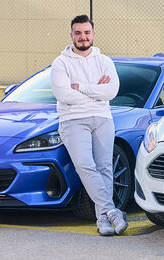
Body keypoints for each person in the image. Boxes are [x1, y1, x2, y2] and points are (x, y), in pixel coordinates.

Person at [50, 15, 126, 236]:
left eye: (86, 32)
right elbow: (63, 95)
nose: (82, 37)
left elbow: (111, 91)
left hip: (103, 118)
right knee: (85, 165)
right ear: (71, 35)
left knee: (104, 167)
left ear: (93, 34)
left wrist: (80, 86)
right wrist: (95, 92)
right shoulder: (61, 63)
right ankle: (111, 211)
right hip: (72, 120)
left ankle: (102, 218)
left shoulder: (105, 62)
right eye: (78, 33)